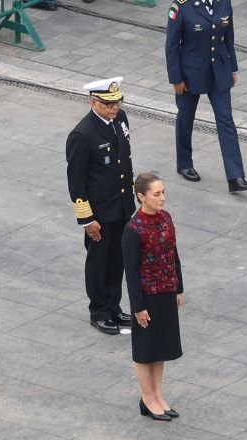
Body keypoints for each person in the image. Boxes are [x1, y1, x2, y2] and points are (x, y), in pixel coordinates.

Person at [66, 76, 136, 335]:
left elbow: (124, 162)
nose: (114, 107)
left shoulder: (120, 120)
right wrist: (86, 219)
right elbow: (76, 182)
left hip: (121, 207)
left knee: (118, 259)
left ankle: (114, 306)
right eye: (108, 104)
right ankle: (99, 311)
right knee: (99, 262)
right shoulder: (82, 134)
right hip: (100, 213)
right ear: (93, 102)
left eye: (117, 102)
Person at [165, 0, 247, 193]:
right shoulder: (181, 6)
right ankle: (184, 162)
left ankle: (235, 176)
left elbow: (228, 36)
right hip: (190, 73)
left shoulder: (223, 2)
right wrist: (176, 78)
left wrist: (232, 68)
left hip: (219, 71)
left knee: (226, 120)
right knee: (186, 118)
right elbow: (171, 45)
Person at [123, 173, 184, 422]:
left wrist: (178, 287)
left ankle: (158, 394)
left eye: (163, 192)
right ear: (141, 197)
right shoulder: (133, 230)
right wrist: (138, 307)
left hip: (166, 291)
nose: (162, 198)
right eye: (156, 194)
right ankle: (147, 398)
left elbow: (173, 253)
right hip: (147, 297)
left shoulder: (166, 218)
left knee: (160, 347)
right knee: (145, 349)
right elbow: (131, 271)